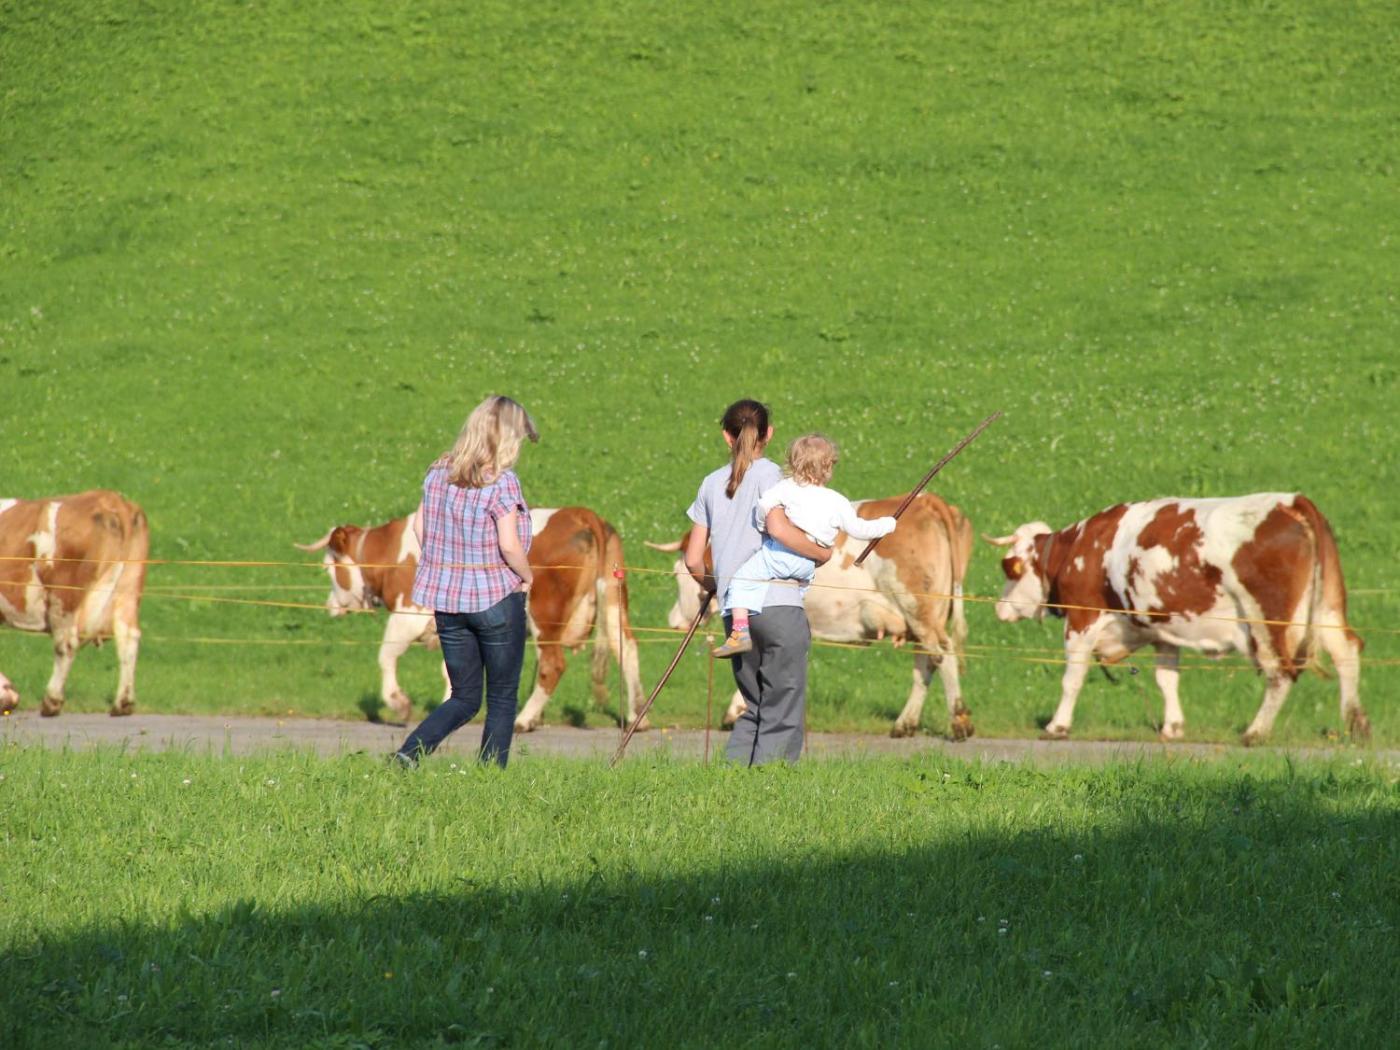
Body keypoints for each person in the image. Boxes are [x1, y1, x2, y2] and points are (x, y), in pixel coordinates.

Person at [683, 399, 834, 765]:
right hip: (777, 603)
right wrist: (820, 552)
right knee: (782, 706)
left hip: (735, 611)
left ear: (726, 436)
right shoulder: (777, 479)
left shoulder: (710, 483)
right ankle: (770, 784)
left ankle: (734, 780)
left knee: (756, 704)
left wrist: (716, 585)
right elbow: (779, 529)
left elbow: (692, 559)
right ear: (769, 433)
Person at [394, 396, 538, 769]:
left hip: (447, 601)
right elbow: (509, 545)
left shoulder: (438, 473)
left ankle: (408, 755)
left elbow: (420, 527)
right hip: (496, 600)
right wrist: (527, 576)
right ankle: (489, 775)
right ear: (507, 438)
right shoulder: (503, 482)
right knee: (502, 698)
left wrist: (447, 567)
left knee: (464, 697)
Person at [712, 433, 895, 658]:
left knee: (741, 580)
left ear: (793, 463)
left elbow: (764, 506)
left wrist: (762, 525)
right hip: (808, 565)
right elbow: (859, 529)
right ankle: (794, 628)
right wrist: (887, 525)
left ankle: (740, 633)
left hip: (780, 555)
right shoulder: (837, 501)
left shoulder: (786, 488)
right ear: (828, 467)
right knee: (794, 596)